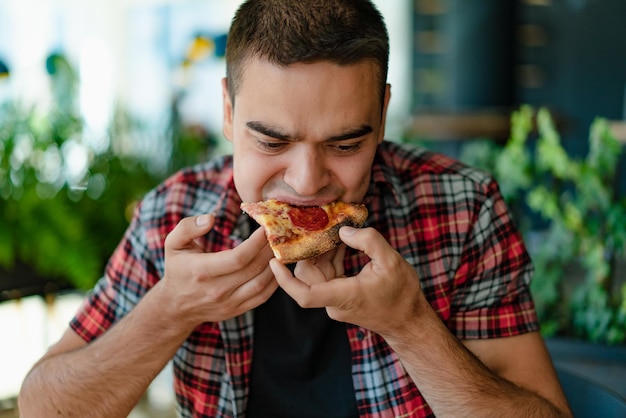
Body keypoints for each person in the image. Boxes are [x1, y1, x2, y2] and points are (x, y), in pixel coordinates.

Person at [18, 0, 573, 417]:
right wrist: (169, 310)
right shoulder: (175, 215)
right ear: (230, 113)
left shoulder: (462, 209)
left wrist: (410, 326)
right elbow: (43, 408)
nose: (307, 182)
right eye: (272, 142)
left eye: (346, 144)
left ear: (381, 115)